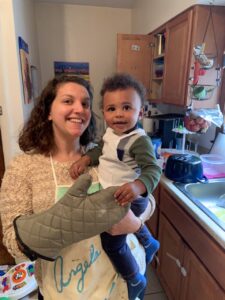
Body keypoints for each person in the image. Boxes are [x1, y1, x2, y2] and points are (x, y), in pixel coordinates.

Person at [0, 75, 156, 300]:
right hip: (65, 291)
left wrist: (136, 222)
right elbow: (11, 241)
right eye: (67, 101)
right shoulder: (24, 167)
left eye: (85, 103)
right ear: (48, 111)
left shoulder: (104, 153)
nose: (79, 109)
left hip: (119, 287)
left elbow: (148, 199)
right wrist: (59, 225)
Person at [69, 73, 162, 300]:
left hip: (129, 197)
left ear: (140, 113)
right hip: (115, 196)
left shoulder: (139, 141)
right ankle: (149, 243)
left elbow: (153, 170)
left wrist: (138, 186)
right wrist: (85, 159)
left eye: (127, 107)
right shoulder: (110, 133)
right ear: (104, 112)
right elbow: (100, 150)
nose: (118, 114)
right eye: (111, 109)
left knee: (111, 242)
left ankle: (134, 279)